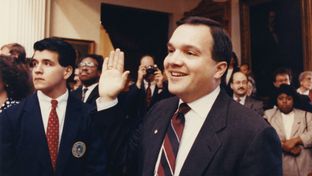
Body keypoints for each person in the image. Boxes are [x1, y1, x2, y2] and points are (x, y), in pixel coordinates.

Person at [97, 16, 282, 175]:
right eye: (171, 50)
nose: (173, 61)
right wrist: (107, 99)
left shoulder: (253, 133)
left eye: (190, 53)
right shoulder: (159, 111)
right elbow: (124, 164)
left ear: (219, 70)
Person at [0, 37, 107, 176]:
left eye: (47, 63)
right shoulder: (11, 117)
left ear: (67, 71)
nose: (37, 70)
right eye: (34, 63)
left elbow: (96, 168)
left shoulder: (87, 114)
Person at [264, 84, 312, 176]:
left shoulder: (306, 115)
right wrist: (284, 146)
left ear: (294, 100)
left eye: (289, 98)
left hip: (304, 166)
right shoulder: (268, 115)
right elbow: (265, 137)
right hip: (279, 165)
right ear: (276, 100)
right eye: (281, 98)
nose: (284, 101)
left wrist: (297, 140)